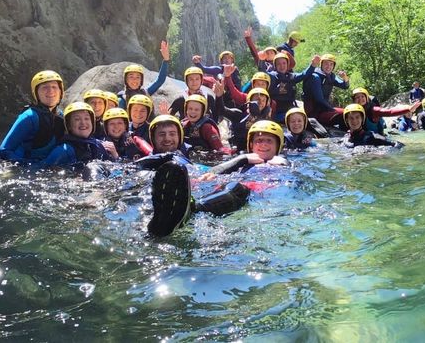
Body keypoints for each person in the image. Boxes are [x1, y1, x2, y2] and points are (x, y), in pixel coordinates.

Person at [146, 121, 290, 237]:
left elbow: (288, 176)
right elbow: (213, 173)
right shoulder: (243, 161)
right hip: (227, 191)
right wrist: (243, 158)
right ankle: (169, 216)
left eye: (269, 141)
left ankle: (189, 211)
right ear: (251, 144)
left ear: (278, 145)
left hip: (257, 194)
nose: (263, 144)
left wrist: (283, 163)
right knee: (217, 186)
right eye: (259, 140)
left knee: (236, 186)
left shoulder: (280, 162)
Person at [0, 70, 66, 164]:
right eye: (45, 87)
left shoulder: (61, 117)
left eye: (54, 87)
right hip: (27, 168)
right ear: (37, 93)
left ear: (60, 92)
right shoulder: (29, 116)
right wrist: (29, 166)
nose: (50, 91)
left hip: (48, 167)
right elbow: (4, 150)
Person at [44, 102, 119, 168]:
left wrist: (115, 156)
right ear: (69, 125)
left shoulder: (97, 145)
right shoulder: (63, 151)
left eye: (86, 119)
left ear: (92, 123)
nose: (83, 123)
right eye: (77, 119)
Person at [117, 40, 171, 108]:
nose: (134, 80)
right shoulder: (121, 100)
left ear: (141, 80)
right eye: (131, 77)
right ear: (126, 80)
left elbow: (160, 80)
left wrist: (166, 60)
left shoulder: (145, 92)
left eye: (138, 77)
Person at [268, 53, 319, 122]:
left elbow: (304, 75)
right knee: (293, 119)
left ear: (287, 64)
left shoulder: (291, 76)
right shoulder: (272, 76)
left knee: (304, 120)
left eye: (284, 63)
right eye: (279, 64)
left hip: (290, 108)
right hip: (277, 112)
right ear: (275, 66)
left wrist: (312, 65)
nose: (282, 66)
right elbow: (263, 73)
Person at [302, 53, 350, 128]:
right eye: (326, 64)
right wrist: (332, 110)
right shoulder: (315, 77)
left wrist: (345, 78)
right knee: (344, 114)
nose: (329, 67)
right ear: (321, 65)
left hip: (324, 109)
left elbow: (345, 86)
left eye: (331, 64)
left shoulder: (330, 76)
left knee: (349, 112)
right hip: (315, 112)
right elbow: (319, 99)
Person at [352, 87, 421, 135]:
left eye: (362, 96)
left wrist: (408, 109)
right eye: (357, 97)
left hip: (376, 139)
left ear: (367, 98)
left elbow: (390, 112)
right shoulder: (352, 111)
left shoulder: (374, 110)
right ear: (354, 100)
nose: (360, 99)